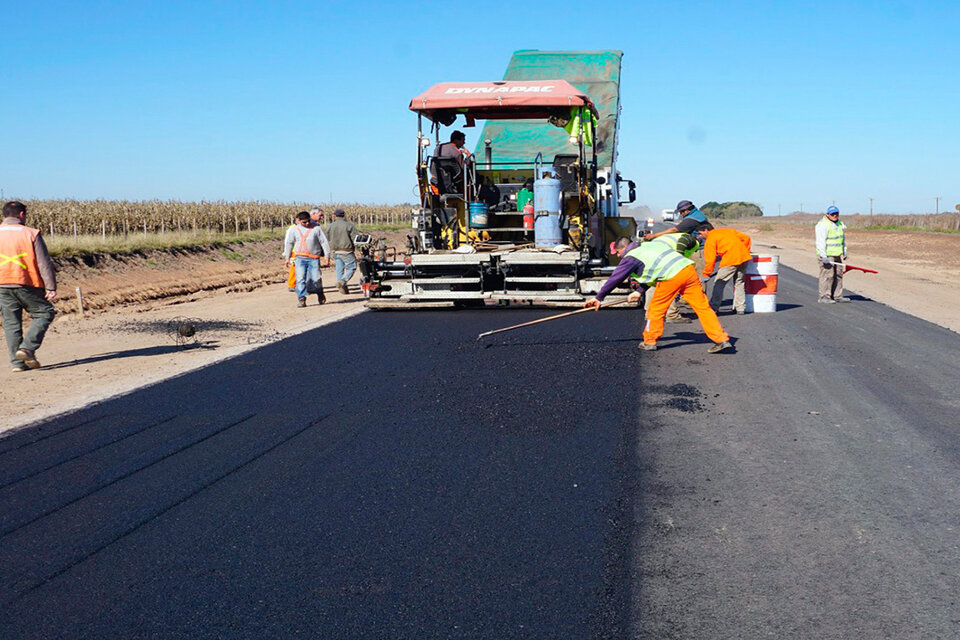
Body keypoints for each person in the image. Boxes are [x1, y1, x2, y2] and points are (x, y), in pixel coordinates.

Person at [585, 233, 732, 353]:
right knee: (703, 308)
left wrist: (599, 297)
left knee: (656, 310)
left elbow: (615, 278)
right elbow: (654, 269)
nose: (618, 256)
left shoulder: (631, 256)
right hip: (688, 272)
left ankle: (649, 341)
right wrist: (640, 291)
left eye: (617, 252)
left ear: (623, 248)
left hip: (671, 277)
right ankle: (721, 339)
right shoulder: (649, 246)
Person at [0, 201, 57, 371]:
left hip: (2, 284)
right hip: (26, 282)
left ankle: (18, 364)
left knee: (11, 323)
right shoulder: (31, 233)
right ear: (21, 215)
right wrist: (51, 286)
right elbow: (43, 262)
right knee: (45, 312)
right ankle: (27, 348)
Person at [701, 227, 753, 314]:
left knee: (719, 283)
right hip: (744, 258)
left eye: (700, 233)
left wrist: (706, 274)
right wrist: (745, 251)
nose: (701, 236)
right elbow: (746, 238)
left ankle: (713, 308)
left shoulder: (710, 239)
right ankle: (740, 308)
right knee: (739, 282)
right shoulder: (728, 231)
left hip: (730, 260)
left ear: (706, 230)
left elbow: (710, 260)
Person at [284, 211, 331, 307]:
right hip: (300, 258)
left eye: (308, 221)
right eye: (304, 222)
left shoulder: (316, 228)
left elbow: (324, 242)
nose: (307, 223)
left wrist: (327, 256)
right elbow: (289, 243)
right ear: (298, 220)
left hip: (313, 258)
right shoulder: (294, 230)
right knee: (300, 279)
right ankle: (301, 299)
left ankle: (319, 292)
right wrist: (287, 257)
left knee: (316, 278)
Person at [815, 205, 849, 303]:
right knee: (827, 275)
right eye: (832, 214)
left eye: (836, 213)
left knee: (838, 274)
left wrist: (845, 251)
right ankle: (824, 296)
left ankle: (837, 295)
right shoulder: (823, 225)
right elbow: (820, 242)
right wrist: (823, 256)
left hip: (837, 254)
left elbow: (842, 239)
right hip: (827, 255)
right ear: (827, 214)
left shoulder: (839, 224)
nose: (835, 215)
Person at [324, 208, 360, 294]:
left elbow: (326, 239)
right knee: (351, 268)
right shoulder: (349, 225)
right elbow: (355, 239)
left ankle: (343, 289)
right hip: (347, 251)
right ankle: (343, 281)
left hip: (336, 251)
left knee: (339, 270)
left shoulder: (329, 226)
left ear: (334, 216)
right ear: (344, 215)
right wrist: (359, 249)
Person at [644, 199, 710, 241]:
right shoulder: (697, 214)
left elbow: (674, 230)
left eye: (681, 212)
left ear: (686, 211)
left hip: (704, 244)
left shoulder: (691, 219)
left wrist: (653, 236)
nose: (680, 214)